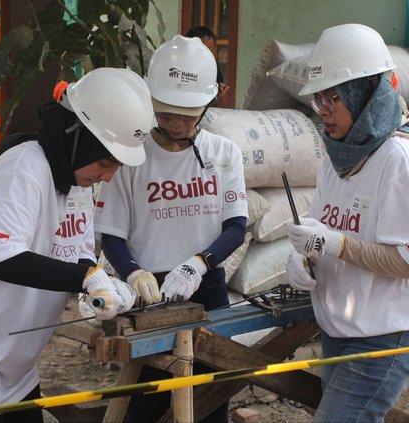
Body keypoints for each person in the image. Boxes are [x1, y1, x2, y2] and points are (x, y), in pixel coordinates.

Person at [0, 67, 154, 422]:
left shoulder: (78, 183)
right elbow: (1, 258)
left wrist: (100, 286)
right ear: (77, 138)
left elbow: (78, 249)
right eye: (104, 162)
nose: (108, 176)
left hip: (18, 369)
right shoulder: (24, 169)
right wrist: (85, 277)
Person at [94, 34, 248, 422]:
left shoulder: (223, 153)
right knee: (144, 403)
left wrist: (198, 264)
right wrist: (133, 272)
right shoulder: (131, 157)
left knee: (210, 403)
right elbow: (111, 234)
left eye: (188, 115)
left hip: (206, 289)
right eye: (166, 114)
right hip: (149, 294)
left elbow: (236, 225)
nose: (177, 124)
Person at [285, 23, 409, 422]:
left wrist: (336, 245)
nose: (324, 109)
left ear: (365, 95)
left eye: (334, 97)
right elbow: (325, 228)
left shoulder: (401, 160)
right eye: (319, 98)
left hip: (387, 334)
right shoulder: (336, 157)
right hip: (340, 330)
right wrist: (306, 258)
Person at [185, 25, 230, 107]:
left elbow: (218, 105)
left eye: (213, 51)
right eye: (206, 50)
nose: (211, 55)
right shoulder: (183, 72)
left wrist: (221, 98)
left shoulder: (215, 72)